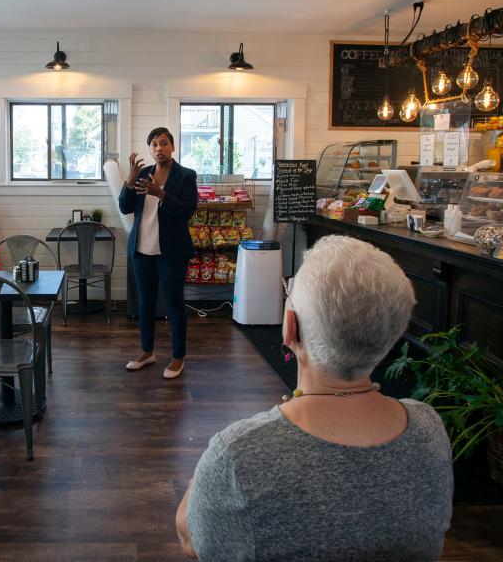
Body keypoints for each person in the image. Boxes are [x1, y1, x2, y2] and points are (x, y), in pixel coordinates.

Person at [176, 235, 453, 561]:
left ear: (289, 328)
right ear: (390, 335)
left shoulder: (237, 453)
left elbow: (192, 539)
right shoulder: (429, 428)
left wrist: (199, 483)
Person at [119, 127, 198, 379]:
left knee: (174, 303)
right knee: (146, 302)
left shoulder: (185, 175)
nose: (159, 148)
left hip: (171, 251)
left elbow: (186, 211)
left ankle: (178, 357)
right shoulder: (143, 173)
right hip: (142, 248)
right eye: (154, 144)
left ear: (172, 147)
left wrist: (161, 194)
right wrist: (130, 181)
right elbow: (125, 207)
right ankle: (147, 351)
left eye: (164, 143)